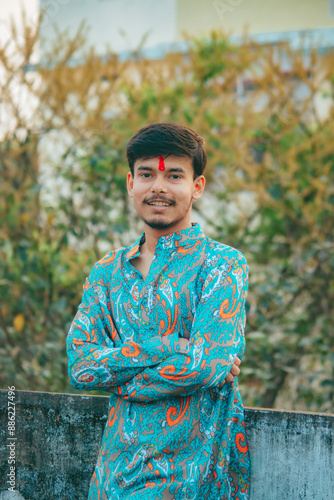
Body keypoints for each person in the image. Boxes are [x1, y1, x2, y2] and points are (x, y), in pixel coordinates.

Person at [66, 122, 251, 500]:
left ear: (196, 187)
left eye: (174, 175)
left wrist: (121, 373)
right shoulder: (107, 273)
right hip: (113, 479)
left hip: (193, 479)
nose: (159, 187)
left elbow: (209, 365)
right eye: (147, 174)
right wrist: (174, 347)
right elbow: (81, 367)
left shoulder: (220, 265)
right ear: (131, 183)